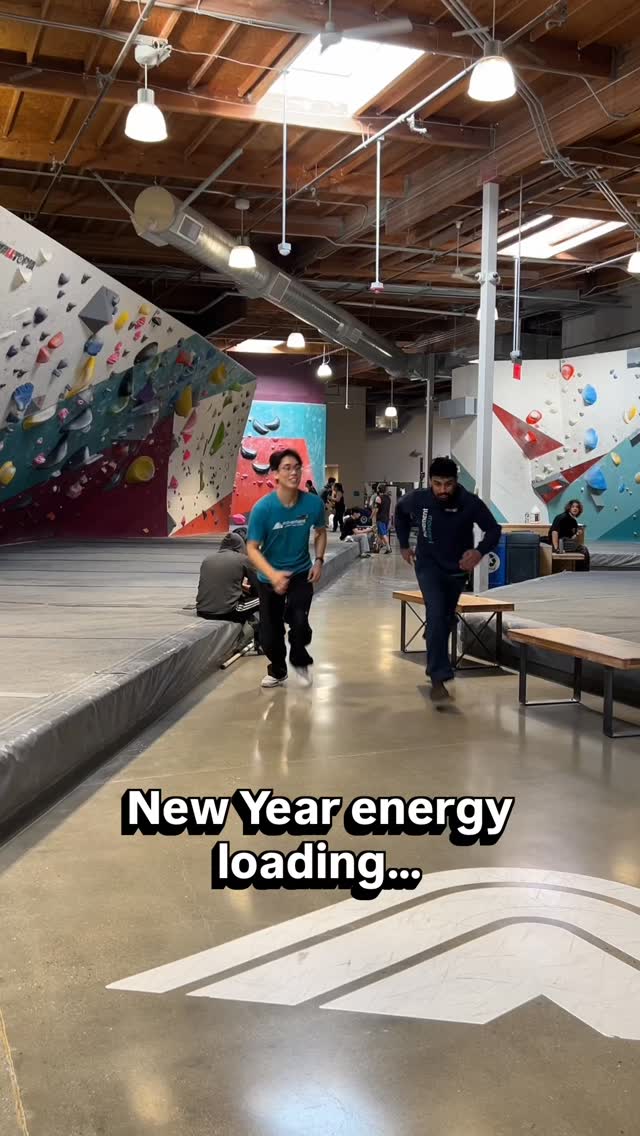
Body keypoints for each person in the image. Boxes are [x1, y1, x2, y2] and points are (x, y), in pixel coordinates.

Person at [395, 456, 501, 702]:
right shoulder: (418, 499)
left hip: (457, 568)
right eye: (437, 484)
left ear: (456, 481)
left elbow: (494, 529)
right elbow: (399, 513)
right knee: (436, 613)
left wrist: (479, 552)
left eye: (448, 484)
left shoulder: (469, 502)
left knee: (443, 618)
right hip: (428, 566)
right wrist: (403, 544)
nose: (443, 490)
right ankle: (438, 678)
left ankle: (436, 629)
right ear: (430, 482)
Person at [247, 448, 327, 689]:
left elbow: (320, 532)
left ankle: (299, 658)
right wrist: (273, 575)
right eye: (287, 468)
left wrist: (319, 560)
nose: (294, 472)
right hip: (268, 577)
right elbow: (252, 548)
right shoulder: (263, 509)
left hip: (301, 572)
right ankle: (278, 670)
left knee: (300, 622)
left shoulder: (313, 504)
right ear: (275, 474)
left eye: (297, 468)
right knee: (269, 636)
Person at [196, 532, 259, 626]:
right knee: (266, 598)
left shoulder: (207, 559)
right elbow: (258, 586)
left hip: (202, 610)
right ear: (241, 546)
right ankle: (264, 632)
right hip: (227, 612)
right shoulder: (242, 559)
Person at [549, 499, 590, 570]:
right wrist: (556, 549)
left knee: (583, 550)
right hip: (559, 542)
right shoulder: (561, 517)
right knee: (584, 549)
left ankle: (580, 571)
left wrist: (577, 534)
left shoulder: (573, 521)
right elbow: (554, 532)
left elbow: (571, 538)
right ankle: (582, 572)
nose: (575, 508)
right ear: (569, 508)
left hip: (566, 542)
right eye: (573, 507)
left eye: (577, 507)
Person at [374, 483, 392, 553]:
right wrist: (390, 519)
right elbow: (389, 510)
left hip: (380, 518)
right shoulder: (388, 498)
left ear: (378, 490)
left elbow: (376, 510)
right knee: (380, 534)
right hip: (386, 518)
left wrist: (371, 517)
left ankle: (388, 548)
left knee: (383, 534)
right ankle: (377, 548)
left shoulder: (378, 498)